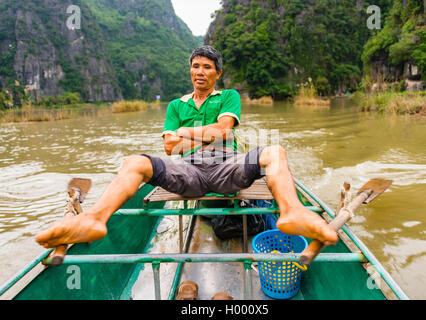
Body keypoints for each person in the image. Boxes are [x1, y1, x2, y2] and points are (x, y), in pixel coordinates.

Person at [35, 46, 337, 249]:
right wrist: (194, 137)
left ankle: (292, 211)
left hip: (226, 165)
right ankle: (93, 219)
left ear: (217, 74)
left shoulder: (228, 96)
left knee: (276, 152)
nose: (200, 72)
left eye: (207, 67)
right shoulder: (175, 105)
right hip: (187, 171)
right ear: (190, 72)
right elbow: (170, 148)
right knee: (135, 162)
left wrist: (186, 133)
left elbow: (222, 132)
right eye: (195, 67)